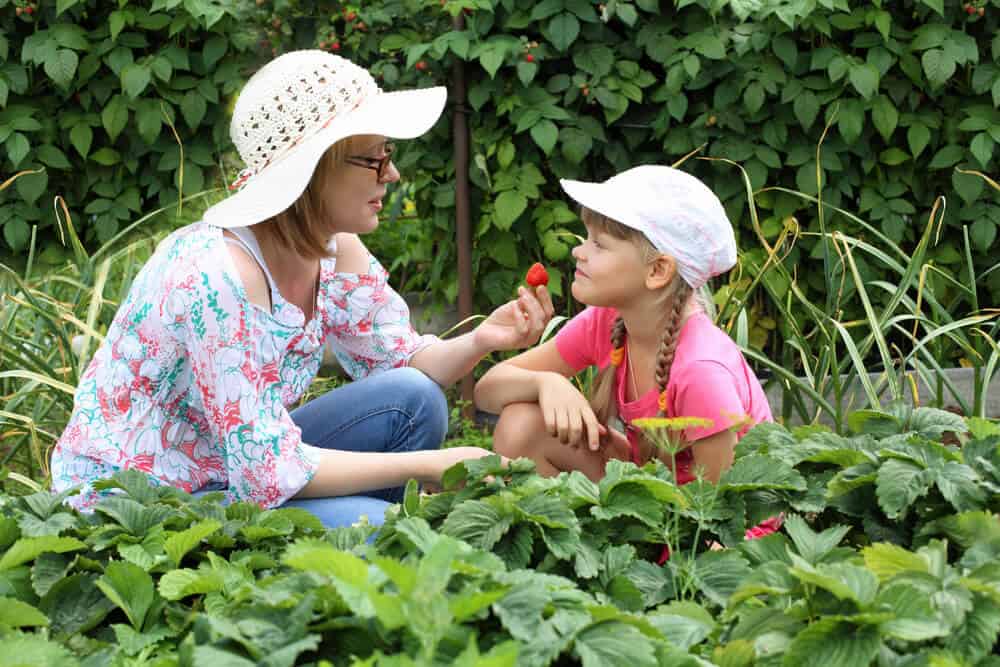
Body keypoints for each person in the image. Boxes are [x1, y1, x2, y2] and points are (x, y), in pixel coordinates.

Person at [50, 50, 554, 527]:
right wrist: (428, 465)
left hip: (233, 465)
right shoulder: (216, 278)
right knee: (381, 529)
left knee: (415, 398)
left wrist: (485, 339)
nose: (392, 173)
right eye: (375, 159)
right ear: (314, 171)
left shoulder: (334, 248)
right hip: (145, 498)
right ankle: (358, 535)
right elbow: (265, 470)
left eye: (389, 155)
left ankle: (348, 539)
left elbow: (402, 365)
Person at [474, 165, 772, 485]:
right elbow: (487, 390)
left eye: (599, 245)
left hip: (703, 521)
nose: (578, 252)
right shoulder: (607, 322)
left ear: (657, 271)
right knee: (523, 422)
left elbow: (720, 511)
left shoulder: (701, 371)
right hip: (651, 490)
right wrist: (546, 383)